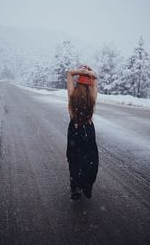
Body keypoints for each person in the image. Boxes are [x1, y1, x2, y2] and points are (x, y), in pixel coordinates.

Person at [66, 65, 99, 200]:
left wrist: (81, 71)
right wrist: (89, 71)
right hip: (88, 130)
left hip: (74, 130)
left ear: (78, 81)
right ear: (89, 83)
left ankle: (76, 188)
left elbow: (69, 73)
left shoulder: (72, 95)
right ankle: (87, 186)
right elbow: (96, 76)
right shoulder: (92, 97)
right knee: (90, 160)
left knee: (74, 160)